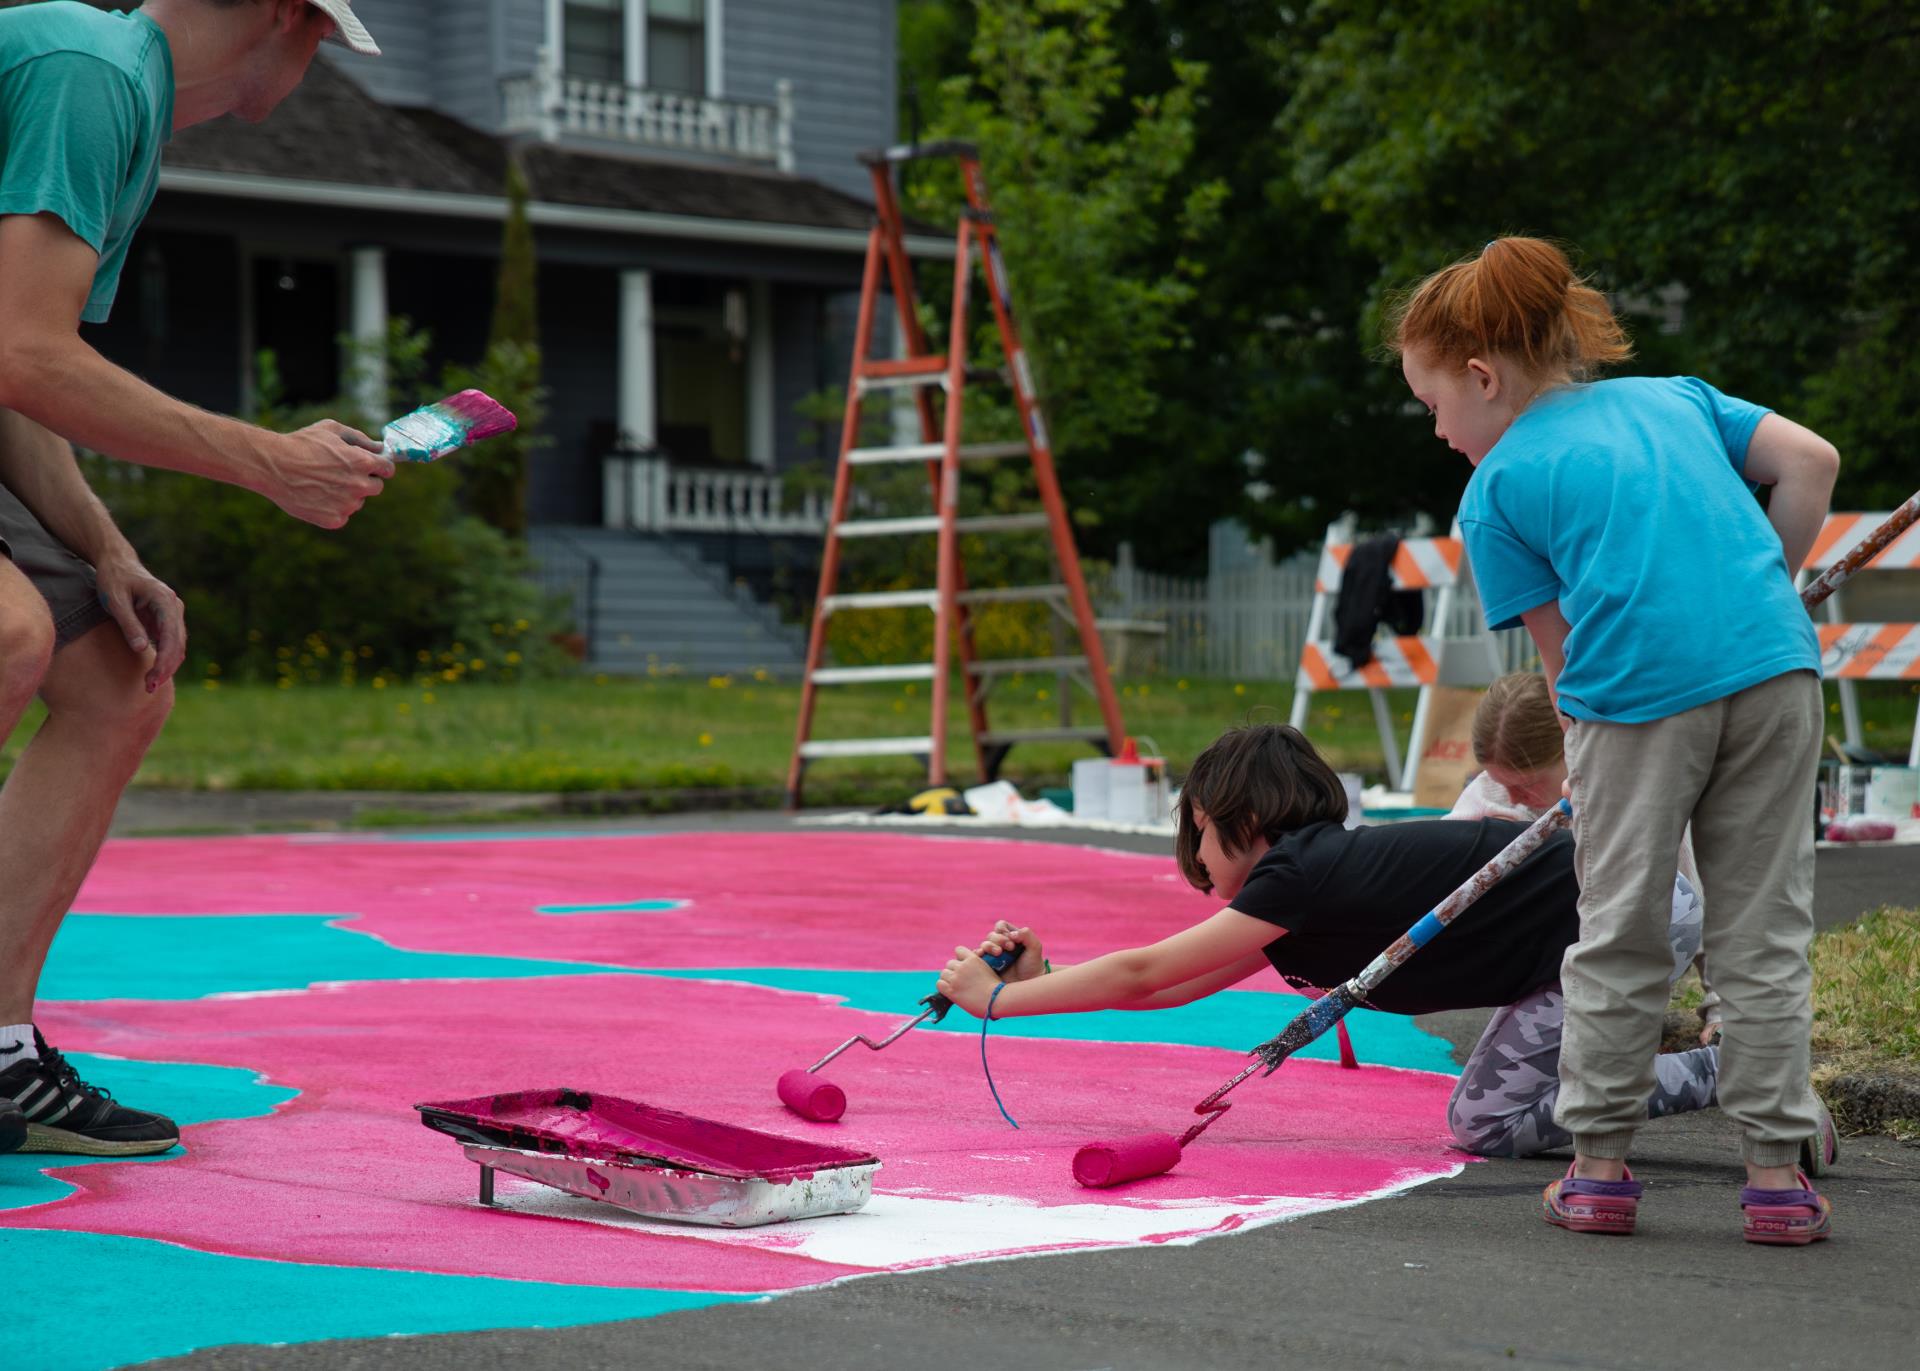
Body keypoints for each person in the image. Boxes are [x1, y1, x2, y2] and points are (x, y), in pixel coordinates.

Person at [0, 0, 389, 1157]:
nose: (321, 64)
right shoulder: (89, 71)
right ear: (284, 18)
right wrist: (268, 461)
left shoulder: (120, 100)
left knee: (121, 674)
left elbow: (17, 375)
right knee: (8, 631)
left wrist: (107, 552)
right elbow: (24, 349)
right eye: (325, 39)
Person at [1392, 236, 1838, 1243]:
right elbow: (1812, 461)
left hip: (1635, 703)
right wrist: (1763, 577)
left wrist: (1586, 779)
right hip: (1775, 667)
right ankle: (1777, 1181)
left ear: (1481, 375)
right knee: (1762, 933)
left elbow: (1562, 671)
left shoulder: (1499, 489)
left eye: (1433, 406)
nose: (1437, 430)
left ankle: (1598, 1169)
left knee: (1622, 932)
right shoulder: (1676, 397)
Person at [932, 723, 1780, 1167]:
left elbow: (1148, 967)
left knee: (1484, 1123)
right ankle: (1717, 1067)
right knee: (1491, 1117)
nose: (1201, 868)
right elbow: (1166, 990)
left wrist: (997, 998)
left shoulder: (1300, 875)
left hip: (1618, 913)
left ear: (1235, 820)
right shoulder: (1305, 896)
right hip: (1582, 929)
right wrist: (1047, 976)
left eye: (1200, 842)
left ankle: (1728, 1070)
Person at [1455, 672, 1726, 1045]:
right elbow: (1428, 880)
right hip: (1536, 959)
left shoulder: (1631, 796)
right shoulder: (1490, 799)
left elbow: (1695, 905)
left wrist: (1722, 1009)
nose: (1513, 798)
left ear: (1574, 750)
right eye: (1499, 783)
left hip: (1628, 951)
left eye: (1526, 785)